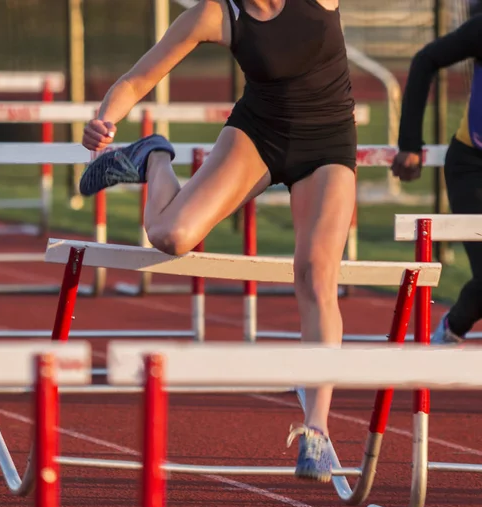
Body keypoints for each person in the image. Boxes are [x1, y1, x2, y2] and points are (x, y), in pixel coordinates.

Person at [80, 0, 357, 482]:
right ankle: (153, 159)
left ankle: (317, 430)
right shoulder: (214, 14)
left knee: (315, 272)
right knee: (171, 235)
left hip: (329, 144)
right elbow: (138, 79)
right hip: (259, 135)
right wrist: (105, 119)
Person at [391, 14, 482, 344]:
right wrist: (409, 144)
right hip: (472, 167)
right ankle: (451, 330)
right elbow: (425, 59)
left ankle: (454, 327)